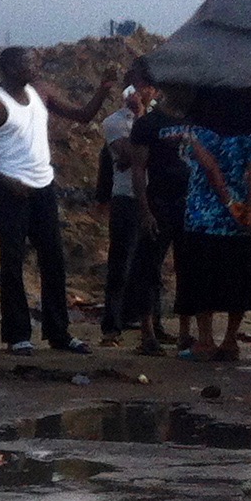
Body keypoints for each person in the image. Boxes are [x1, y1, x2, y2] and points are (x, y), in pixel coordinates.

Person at [0, 47, 119, 355]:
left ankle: (59, 333)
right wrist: (6, 182)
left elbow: (83, 116)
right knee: (13, 262)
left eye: (35, 61)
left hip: (43, 187)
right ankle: (17, 335)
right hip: (11, 190)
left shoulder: (42, 92)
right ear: (10, 68)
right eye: (29, 63)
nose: (36, 66)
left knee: (54, 262)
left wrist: (103, 89)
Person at [172, 117, 251, 360]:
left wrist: (228, 203)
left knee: (202, 279)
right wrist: (250, 212)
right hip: (238, 220)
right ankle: (230, 340)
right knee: (238, 279)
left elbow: (210, 168)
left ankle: (205, 340)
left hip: (203, 214)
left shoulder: (198, 129)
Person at [126, 75, 190, 354]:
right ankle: (148, 334)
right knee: (149, 269)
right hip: (160, 202)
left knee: (188, 269)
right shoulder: (147, 124)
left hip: (191, 204)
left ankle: (186, 334)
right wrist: (145, 209)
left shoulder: (194, 121)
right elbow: (138, 169)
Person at [97, 83, 143, 348]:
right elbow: (129, 154)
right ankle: (111, 325)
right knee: (120, 263)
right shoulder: (114, 123)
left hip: (152, 196)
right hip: (126, 197)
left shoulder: (153, 120)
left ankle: (143, 319)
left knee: (147, 265)